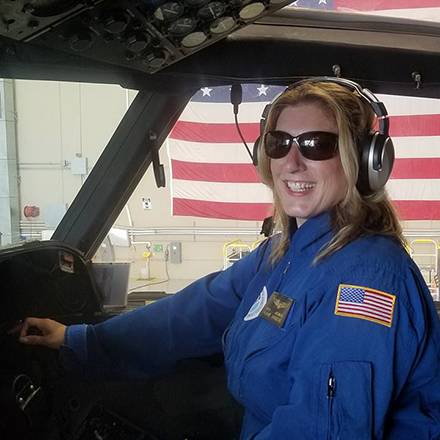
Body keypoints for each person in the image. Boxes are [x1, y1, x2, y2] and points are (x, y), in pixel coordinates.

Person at [12, 79, 440, 439]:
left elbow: (322, 428)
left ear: (364, 161)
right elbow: (195, 312)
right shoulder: (287, 252)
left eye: (317, 144)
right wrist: (79, 341)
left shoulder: (365, 278)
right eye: (278, 143)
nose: (291, 161)